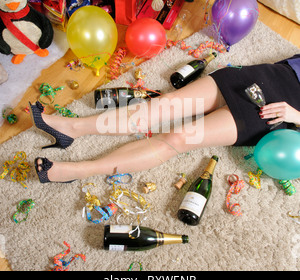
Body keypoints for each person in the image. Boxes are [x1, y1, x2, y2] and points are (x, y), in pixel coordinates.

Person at [30, 54, 300, 184]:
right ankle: (73, 128)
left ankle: (78, 171)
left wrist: (296, 116)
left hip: (268, 111)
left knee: (178, 138)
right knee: (165, 105)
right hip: (256, 79)